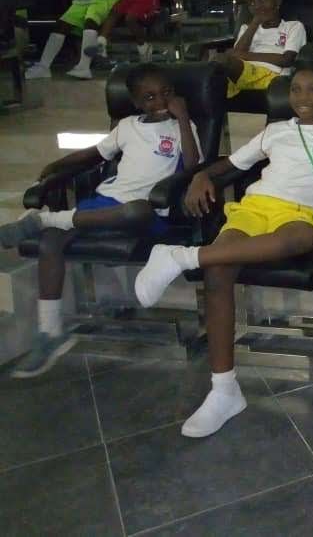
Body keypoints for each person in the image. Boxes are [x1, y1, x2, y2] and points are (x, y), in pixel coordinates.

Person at [134, 63, 313, 437]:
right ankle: (224, 391)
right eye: (296, 89)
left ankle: (182, 256)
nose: (303, 97)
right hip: (254, 207)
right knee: (218, 272)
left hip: (298, 212)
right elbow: (230, 165)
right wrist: (202, 176)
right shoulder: (274, 131)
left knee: (301, 239)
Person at [0, 64, 200, 377]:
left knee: (136, 210)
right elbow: (95, 153)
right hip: (105, 202)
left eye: (166, 93)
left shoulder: (181, 127)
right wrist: (55, 165)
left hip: (148, 211)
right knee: (51, 241)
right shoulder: (127, 126)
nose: (161, 101)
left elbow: (192, 164)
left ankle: (45, 219)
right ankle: (50, 332)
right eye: (149, 97)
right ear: (136, 103)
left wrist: (184, 117)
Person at [217, 0, 306, 99]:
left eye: (262, 0)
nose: (257, 6)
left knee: (222, 62)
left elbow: (286, 60)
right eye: (251, 3)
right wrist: (255, 23)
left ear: (277, 1)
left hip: (272, 75)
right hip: (243, 74)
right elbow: (237, 54)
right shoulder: (246, 28)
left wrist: (244, 55)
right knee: (213, 69)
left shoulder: (293, 26)